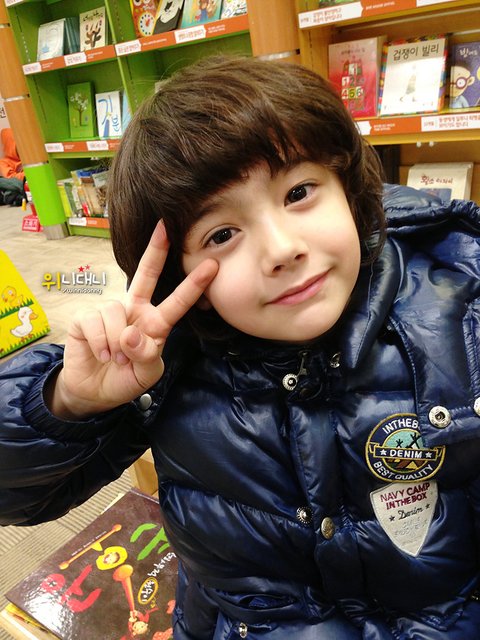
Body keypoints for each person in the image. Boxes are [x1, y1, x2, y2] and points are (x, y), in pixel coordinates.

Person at [1, 55, 480, 639]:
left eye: (299, 192)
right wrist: (70, 402)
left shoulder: (460, 308)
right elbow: (14, 498)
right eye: (222, 234)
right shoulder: (161, 363)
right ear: (183, 281)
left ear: (349, 191)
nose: (281, 249)